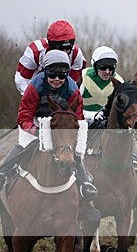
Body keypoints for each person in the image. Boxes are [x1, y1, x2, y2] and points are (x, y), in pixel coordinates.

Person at [0, 50, 97, 200]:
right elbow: (24, 116)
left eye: (62, 75)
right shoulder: (35, 86)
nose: (57, 79)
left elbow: (77, 118)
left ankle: (85, 183)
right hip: (34, 119)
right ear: (45, 72)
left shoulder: (72, 89)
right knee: (25, 142)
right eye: (52, 75)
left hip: (60, 122)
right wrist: (36, 131)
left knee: (74, 149)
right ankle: (3, 172)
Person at [15, 20, 86, 95]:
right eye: (61, 49)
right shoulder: (35, 51)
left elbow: (72, 84)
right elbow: (22, 78)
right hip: (35, 87)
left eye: (68, 48)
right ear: (51, 44)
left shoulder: (76, 54)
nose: (64, 53)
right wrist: (30, 96)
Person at [80, 46, 124, 127]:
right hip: (81, 120)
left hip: (105, 121)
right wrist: (92, 116)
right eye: (103, 68)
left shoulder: (119, 81)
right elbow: (72, 108)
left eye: (111, 68)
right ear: (95, 66)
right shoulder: (83, 76)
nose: (107, 72)